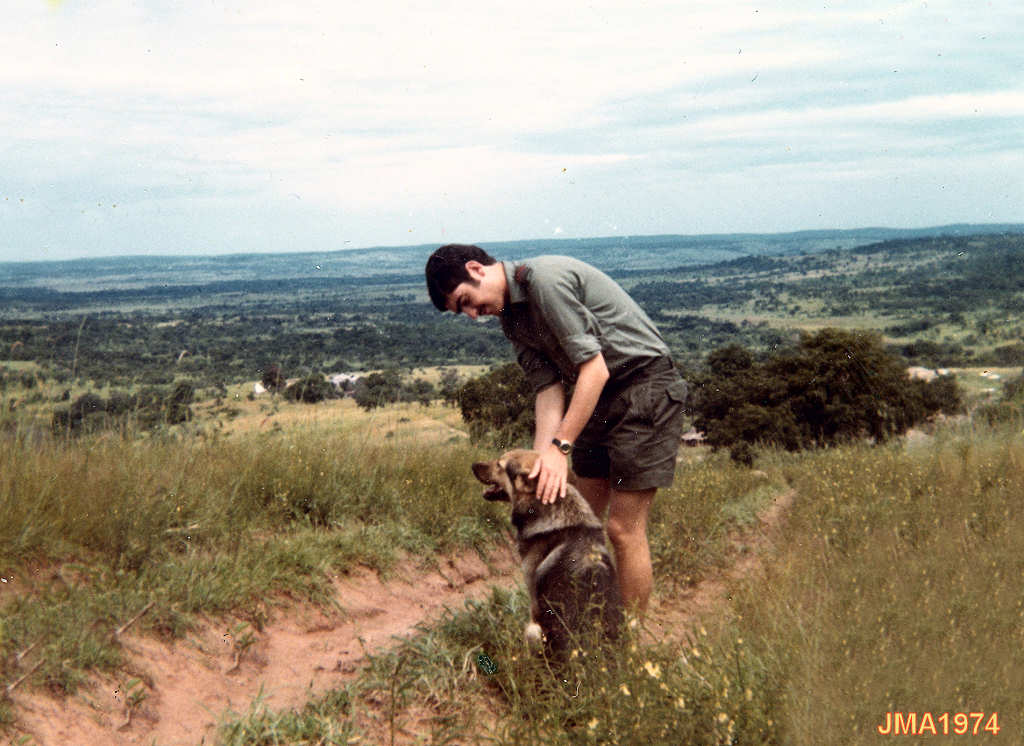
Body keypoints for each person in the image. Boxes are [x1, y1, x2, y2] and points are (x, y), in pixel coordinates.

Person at [425, 244, 688, 614]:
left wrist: (560, 448)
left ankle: (627, 644)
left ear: (476, 268)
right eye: (461, 311)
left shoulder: (543, 281)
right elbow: (548, 391)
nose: (471, 314)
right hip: (594, 397)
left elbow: (595, 369)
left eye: (466, 300)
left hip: (643, 387)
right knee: (578, 525)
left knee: (621, 531)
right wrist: (538, 465)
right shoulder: (511, 319)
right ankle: (583, 627)